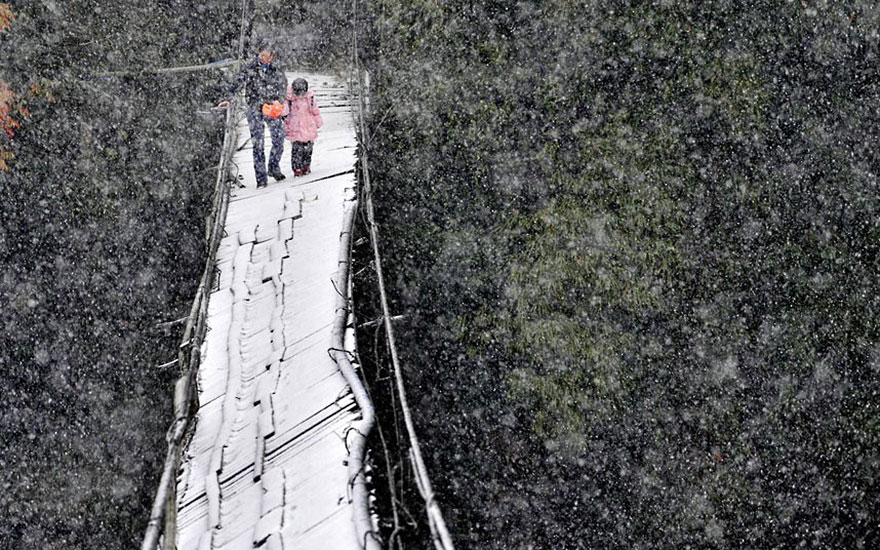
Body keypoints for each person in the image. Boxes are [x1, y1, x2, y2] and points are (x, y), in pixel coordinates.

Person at [217, 40, 288, 188]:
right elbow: (237, 83)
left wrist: (279, 100)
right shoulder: (249, 68)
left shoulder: (277, 69)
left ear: (272, 56)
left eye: (268, 57)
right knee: (258, 143)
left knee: (279, 138)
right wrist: (228, 98)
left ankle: (273, 167)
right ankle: (261, 178)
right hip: (254, 107)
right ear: (258, 54)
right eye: (263, 56)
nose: (266, 60)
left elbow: (283, 85)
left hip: (271, 107)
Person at [283, 78, 323, 177]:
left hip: (309, 125)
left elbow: (315, 111)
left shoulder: (310, 98)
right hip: (295, 126)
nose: (300, 95)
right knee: (297, 150)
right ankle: (297, 168)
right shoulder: (289, 99)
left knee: (308, 149)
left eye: (302, 93)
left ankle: (306, 166)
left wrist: (318, 122)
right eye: (298, 93)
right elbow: (285, 113)